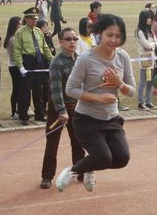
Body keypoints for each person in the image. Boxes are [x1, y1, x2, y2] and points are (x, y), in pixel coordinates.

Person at [57, 14, 136, 192]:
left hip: (112, 119)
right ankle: (73, 170)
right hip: (87, 120)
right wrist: (98, 98)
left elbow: (131, 91)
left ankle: (89, 166)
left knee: (122, 159)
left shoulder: (123, 57)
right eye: (109, 35)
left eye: (118, 36)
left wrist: (119, 84)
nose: (114, 40)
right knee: (103, 158)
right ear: (100, 33)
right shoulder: (86, 58)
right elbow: (70, 89)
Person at [40, 28, 85, 189]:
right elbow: (56, 90)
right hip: (58, 107)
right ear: (61, 42)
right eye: (68, 39)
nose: (72, 42)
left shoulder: (79, 59)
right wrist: (61, 111)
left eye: (75, 39)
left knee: (78, 142)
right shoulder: (56, 62)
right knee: (52, 144)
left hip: (76, 106)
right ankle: (47, 176)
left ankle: (80, 171)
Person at [13, 7, 54, 125]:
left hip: (39, 61)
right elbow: (17, 51)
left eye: (36, 18)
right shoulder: (20, 32)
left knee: (38, 89)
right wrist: (20, 66)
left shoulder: (38, 31)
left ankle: (39, 114)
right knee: (25, 91)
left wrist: (53, 60)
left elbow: (45, 48)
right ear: (26, 19)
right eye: (32, 18)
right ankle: (23, 115)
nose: (34, 21)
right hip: (28, 61)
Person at [134, 10, 157, 110]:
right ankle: (140, 102)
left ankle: (148, 101)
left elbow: (156, 42)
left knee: (150, 81)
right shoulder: (139, 31)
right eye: (148, 18)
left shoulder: (150, 31)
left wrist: (153, 45)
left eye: (150, 18)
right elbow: (146, 45)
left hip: (152, 58)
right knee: (143, 81)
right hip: (144, 59)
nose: (150, 20)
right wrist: (152, 45)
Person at [3, 16, 22, 119]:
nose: (21, 25)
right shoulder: (12, 39)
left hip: (18, 66)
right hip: (15, 67)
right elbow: (15, 55)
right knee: (17, 89)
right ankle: (14, 111)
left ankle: (19, 109)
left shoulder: (17, 37)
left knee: (20, 89)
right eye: (19, 24)